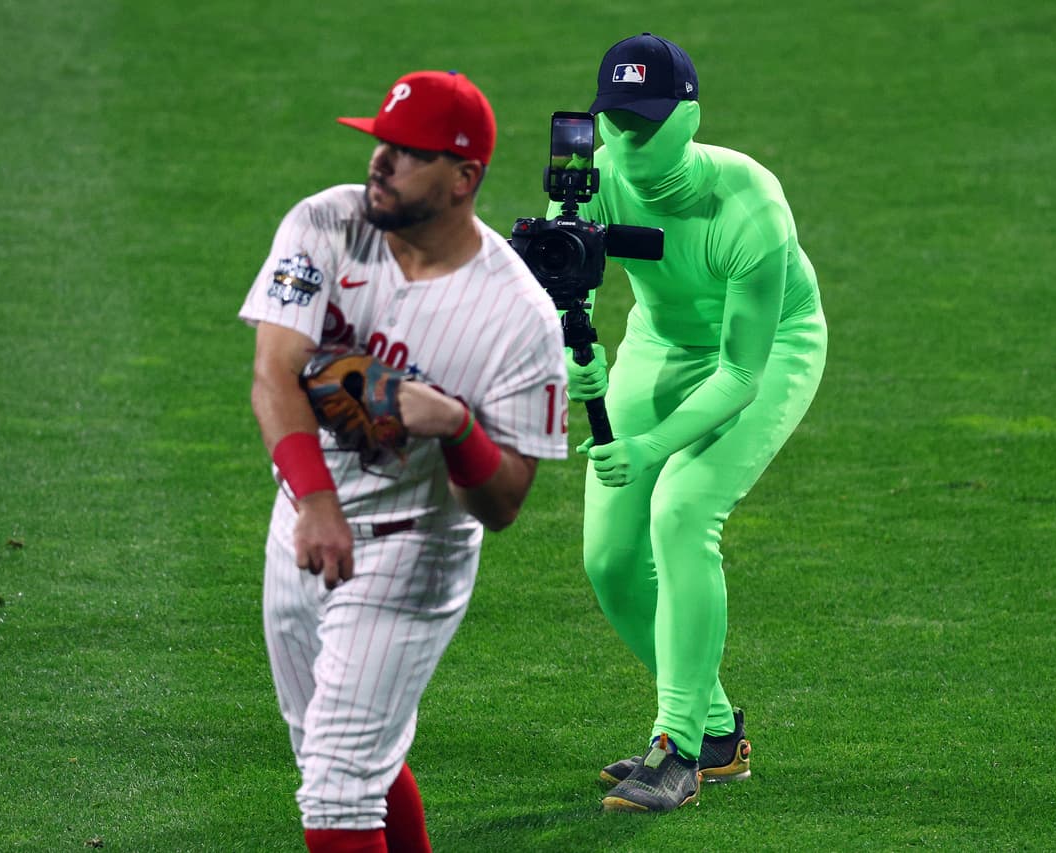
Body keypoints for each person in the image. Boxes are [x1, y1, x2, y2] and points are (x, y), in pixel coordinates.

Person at [241, 69, 568, 852]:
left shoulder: (517, 317)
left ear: (464, 178)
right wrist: (316, 501)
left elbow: (504, 502)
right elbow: (273, 373)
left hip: (412, 549)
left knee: (337, 785)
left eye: (409, 152)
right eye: (380, 142)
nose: (379, 162)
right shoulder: (325, 223)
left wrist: (456, 426)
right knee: (335, 752)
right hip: (303, 526)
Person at [554, 34, 828, 812]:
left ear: (689, 117)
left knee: (681, 508)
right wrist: (575, 357)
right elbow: (563, 294)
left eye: (647, 121)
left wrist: (647, 446)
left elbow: (740, 375)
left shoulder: (750, 205)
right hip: (661, 342)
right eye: (617, 121)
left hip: (769, 349)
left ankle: (676, 746)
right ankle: (715, 731)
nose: (630, 138)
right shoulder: (589, 184)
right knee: (611, 560)